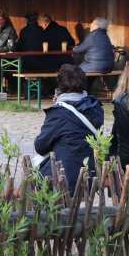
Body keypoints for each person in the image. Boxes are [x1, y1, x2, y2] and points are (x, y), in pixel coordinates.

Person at [34, 64, 104, 192]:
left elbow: (40, 146)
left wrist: (56, 105)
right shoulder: (96, 107)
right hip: (89, 177)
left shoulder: (59, 113)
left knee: (32, 173)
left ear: (60, 86)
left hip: (64, 178)